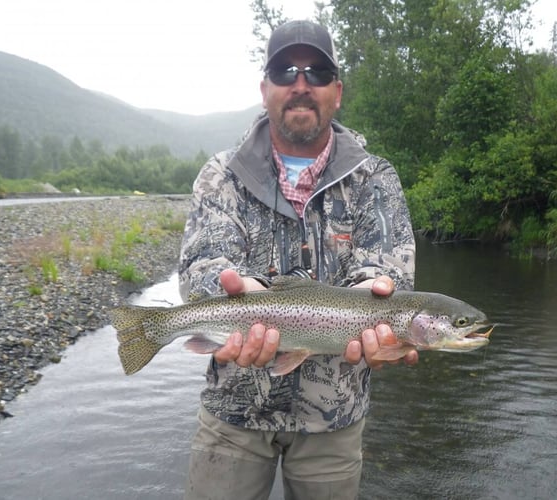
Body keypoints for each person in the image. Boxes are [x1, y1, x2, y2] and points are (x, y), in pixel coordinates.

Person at [178, 19, 417, 500]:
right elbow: (202, 265)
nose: (301, 85)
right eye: (286, 71)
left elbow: (391, 272)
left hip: (335, 419)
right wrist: (232, 289)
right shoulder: (221, 175)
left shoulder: (376, 179)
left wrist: (375, 296)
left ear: (338, 91)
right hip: (234, 412)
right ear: (265, 88)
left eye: (318, 72)